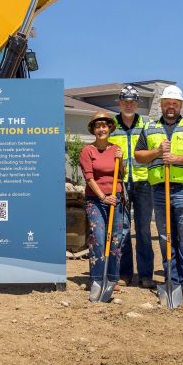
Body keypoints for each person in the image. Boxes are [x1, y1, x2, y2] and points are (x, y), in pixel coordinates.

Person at [134, 85, 183, 300]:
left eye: (175, 103)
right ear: (161, 105)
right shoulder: (149, 129)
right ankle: (171, 279)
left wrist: (176, 159)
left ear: (180, 106)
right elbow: (139, 156)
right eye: (167, 103)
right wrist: (157, 152)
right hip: (159, 189)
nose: (171, 107)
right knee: (166, 237)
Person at [110, 85, 154, 289]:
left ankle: (146, 274)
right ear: (119, 103)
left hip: (144, 182)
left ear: (137, 104)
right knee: (123, 230)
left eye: (132, 102)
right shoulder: (111, 125)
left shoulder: (147, 125)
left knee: (144, 229)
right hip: (121, 183)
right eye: (125, 101)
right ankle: (125, 273)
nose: (128, 105)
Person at [80, 111, 124, 292]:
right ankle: (97, 278)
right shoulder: (87, 150)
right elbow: (89, 178)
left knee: (115, 239)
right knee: (98, 237)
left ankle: (112, 279)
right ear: (93, 129)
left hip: (116, 198)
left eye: (104, 126)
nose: (101, 129)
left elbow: (121, 175)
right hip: (95, 200)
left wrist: (121, 160)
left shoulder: (115, 149)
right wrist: (103, 197)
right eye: (98, 126)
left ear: (110, 128)